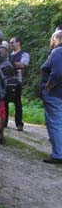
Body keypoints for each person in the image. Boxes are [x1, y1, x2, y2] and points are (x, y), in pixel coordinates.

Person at [40, 30, 62, 164]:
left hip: (55, 94)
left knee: (55, 123)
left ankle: (58, 154)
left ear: (56, 39)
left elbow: (58, 73)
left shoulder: (58, 51)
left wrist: (47, 88)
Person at [4, 37, 30, 131]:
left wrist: (9, 63)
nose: (11, 44)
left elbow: (22, 65)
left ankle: (19, 124)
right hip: (7, 81)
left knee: (17, 102)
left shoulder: (24, 54)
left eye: (12, 42)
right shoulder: (9, 55)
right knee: (5, 102)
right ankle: (4, 122)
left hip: (17, 81)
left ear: (18, 42)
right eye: (10, 43)